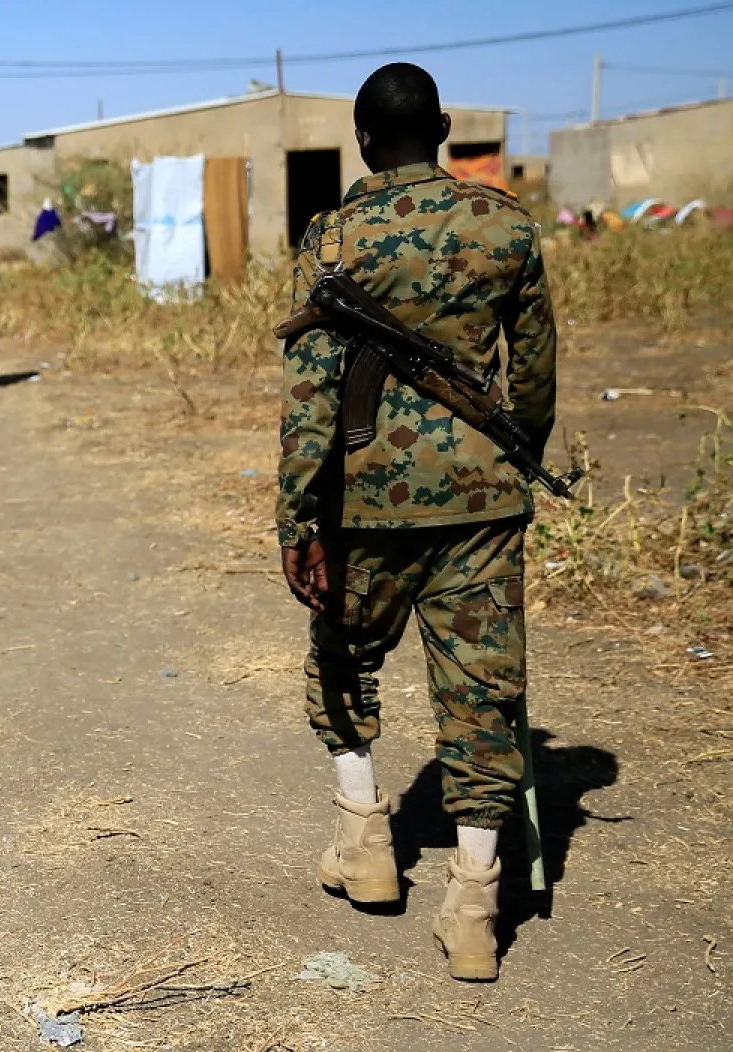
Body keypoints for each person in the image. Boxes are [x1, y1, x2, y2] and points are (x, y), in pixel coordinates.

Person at [276, 63, 557, 982]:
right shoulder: (506, 225)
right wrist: (513, 454)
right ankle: (475, 903)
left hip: (365, 507)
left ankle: (367, 849)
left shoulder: (335, 236)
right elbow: (538, 373)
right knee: (482, 691)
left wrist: (298, 517)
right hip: (482, 503)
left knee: (343, 659)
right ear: (440, 127)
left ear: (362, 138)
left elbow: (314, 391)